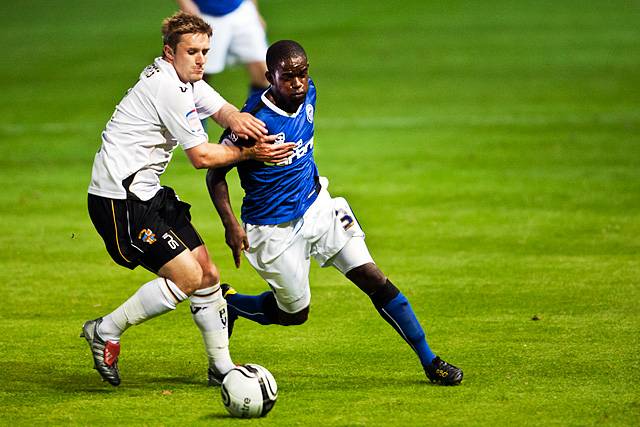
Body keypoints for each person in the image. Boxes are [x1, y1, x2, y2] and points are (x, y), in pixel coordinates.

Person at [206, 40, 463, 386]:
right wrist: (231, 226)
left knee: (374, 278)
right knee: (294, 315)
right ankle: (232, 304)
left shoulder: (310, 93)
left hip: (318, 208)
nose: (298, 83)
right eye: (288, 78)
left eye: (302, 74)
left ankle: (430, 361)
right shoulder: (252, 123)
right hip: (272, 228)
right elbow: (214, 174)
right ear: (269, 77)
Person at [82, 12, 296, 387]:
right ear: (169, 53)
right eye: (192, 51)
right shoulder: (168, 87)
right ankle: (105, 329)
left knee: (209, 274)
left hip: (146, 191)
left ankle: (221, 368)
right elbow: (201, 158)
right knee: (186, 276)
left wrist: (244, 123)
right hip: (119, 200)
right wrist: (251, 154)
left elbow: (223, 108)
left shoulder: (187, 80)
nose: (201, 60)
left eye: (205, 52)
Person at [176, 0, 269, 97]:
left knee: (264, 75)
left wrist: (255, 10)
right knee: (196, 77)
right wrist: (185, 3)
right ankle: (187, 109)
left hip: (242, 10)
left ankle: (258, 111)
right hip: (204, 14)